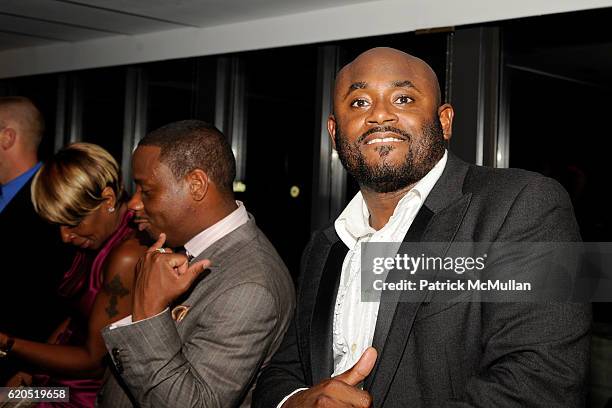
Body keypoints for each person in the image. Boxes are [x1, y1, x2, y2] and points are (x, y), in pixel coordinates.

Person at [253, 47, 591, 407]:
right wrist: (297, 401)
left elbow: (543, 385)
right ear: (334, 132)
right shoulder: (323, 247)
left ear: (444, 121)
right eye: (359, 103)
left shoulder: (522, 204)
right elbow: (282, 371)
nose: (380, 115)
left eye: (403, 98)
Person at [99, 120, 295, 408]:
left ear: (196, 185)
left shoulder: (250, 286)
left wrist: (148, 313)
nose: (133, 204)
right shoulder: (182, 247)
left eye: (147, 190)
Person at [0, 142, 148, 407]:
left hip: (83, 396)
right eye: (59, 225)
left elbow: (94, 363)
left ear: (108, 199)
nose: (65, 237)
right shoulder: (101, 239)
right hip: (60, 384)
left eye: (73, 222)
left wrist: (8, 343)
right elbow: (76, 321)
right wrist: (30, 372)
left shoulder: (126, 256)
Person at [0, 96, 73, 384]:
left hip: (24, 369)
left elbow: (58, 299)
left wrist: (30, 369)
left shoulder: (54, 201)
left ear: (7, 137)